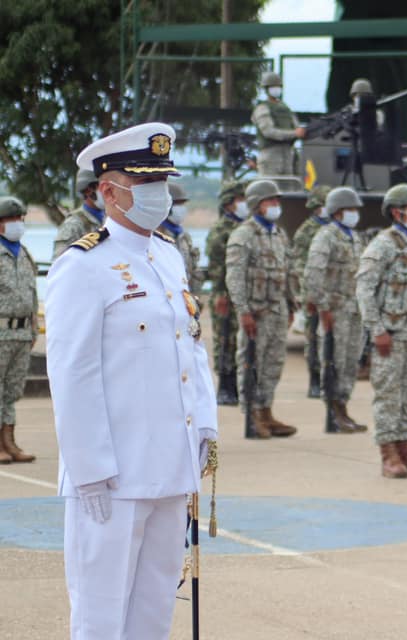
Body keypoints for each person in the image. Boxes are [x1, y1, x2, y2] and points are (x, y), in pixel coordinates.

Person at [46, 123, 217, 639]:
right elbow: (72, 375)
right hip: (113, 476)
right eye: (144, 183)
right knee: (101, 614)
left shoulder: (167, 255)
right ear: (107, 192)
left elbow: (191, 345)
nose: (157, 195)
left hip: (171, 465)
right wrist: (90, 469)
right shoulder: (82, 266)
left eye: (161, 182)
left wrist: (204, 428)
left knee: (154, 607)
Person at [355, 184, 407, 479]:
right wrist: (377, 330)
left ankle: (404, 448)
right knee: (388, 394)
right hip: (390, 332)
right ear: (397, 212)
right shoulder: (383, 245)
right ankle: (388, 452)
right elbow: (364, 289)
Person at [225, 179, 298, 438]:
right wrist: (243, 311)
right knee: (251, 362)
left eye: (277, 201)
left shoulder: (278, 234)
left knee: (273, 363)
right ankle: (252, 415)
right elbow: (234, 277)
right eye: (271, 201)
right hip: (255, 313)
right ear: (257, 205)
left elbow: (287, 271)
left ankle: (266, 410)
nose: (276, 205)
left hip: (277, 311)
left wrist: (291, 304)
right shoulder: (244, 235)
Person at [303, 186, 367, 433]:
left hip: (353, 310)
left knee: (351, 362)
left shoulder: (354, 237)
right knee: (334, 361)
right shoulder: (326, 236)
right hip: (335, 310)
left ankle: (344, 407)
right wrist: (323, 306)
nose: (354, 214)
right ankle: (333, 413)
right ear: (337, 211)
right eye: (349, 209)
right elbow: (313, 273)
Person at [0, 196, 37, 463]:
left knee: (12, 391)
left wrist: (34, 328)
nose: (16, 224)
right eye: (11, 220)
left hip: (22, 332)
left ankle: (9, 442)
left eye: (19, 219)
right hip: (1, 330)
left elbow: (32, 293)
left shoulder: (24, 253)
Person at [206, 179, 247, 405]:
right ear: (229, 204)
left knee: (237, 339)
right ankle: (225, 386)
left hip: (240, 295)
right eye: (240, 200)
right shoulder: (221, 230)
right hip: (224, 294)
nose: (244, 204)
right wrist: (220, 293)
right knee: (224, 338)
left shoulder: (245, 228)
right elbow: (216, 266)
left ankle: (237, 385)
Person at [292, 184, 332, 398]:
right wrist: (307, 290)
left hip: (333, 295)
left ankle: (329, 379)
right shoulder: (307, 231)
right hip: (314, 293)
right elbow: (298, 262)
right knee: (314, 337)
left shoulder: (334, 229)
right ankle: (315, 380)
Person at [251, 71, 306, 175]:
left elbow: (297, 127)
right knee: (270, 188)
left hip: (288, 155)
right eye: (272, 86)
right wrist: (294, 133)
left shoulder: (286, 109)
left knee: (289, 188)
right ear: (266, 89)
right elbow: (269, 132)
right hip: (270, 155)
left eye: (278, 86)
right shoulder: (262, 108)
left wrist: (301, 132)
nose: (276, 89)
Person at [53, 168, 105, 260]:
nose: (107, 191)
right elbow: (60, 265)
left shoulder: (109, 219)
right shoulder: (73, 225)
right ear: (88, 191)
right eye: (102, 186)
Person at [161, 182, 203, 293]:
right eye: (177, 204)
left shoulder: (184, 236)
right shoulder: (155, 236)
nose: (181, 208)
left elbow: (193, 270)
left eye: (182, 204)